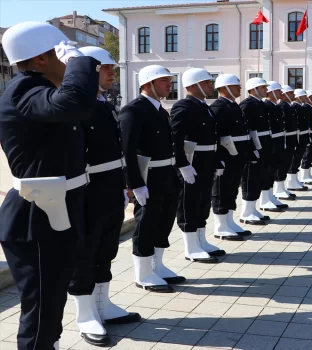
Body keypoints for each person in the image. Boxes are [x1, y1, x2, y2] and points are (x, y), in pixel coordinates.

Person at [0, 21, 98, 350]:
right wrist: (80, 64)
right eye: (65, 56)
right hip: (36, 218)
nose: (71, 63)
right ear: (43, 59)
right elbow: (75, 103)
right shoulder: (24, 89)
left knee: (51, 302)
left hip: (52, 211)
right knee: (42, 307)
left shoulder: (38, 89)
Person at [65, 46, 140, 346]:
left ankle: (103, 305)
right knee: (84, 253)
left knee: (106, 249)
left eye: (112, 67)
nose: (112, 72)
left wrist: (124, 185)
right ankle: (85, 314)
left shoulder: (104, 104)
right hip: (86, 192)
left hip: (109, 189)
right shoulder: (77, 108)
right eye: (105, 67)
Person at [120, 65, 185, 293]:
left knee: (164, 221)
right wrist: (134, 183)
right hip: (148, 178)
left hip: (166, 175)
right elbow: (127, 151)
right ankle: (143, 272)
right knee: (146, 223)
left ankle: (158, 265)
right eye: (165, 80)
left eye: (170, 80)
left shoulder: (161, 111)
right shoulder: (133, 110)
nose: (170, 84)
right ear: (149, 83)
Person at [170, 68, 225, 262]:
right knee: (189, 203)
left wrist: (217, 160)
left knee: (203, 202)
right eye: (207, 82)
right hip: (193, 162)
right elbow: (175, 138)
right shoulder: (183, 106)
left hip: (206, 161)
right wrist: (182, 164)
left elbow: (213, 137)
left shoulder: (205, 106)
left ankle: (201, 241)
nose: (211, 86)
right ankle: (190, 246)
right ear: (194, 85)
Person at [210, 74, 254, 240]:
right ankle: (220, 226)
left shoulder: (233, 106)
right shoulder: (218, 107)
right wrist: (218, 157)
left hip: (237, 155)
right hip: (226, 156)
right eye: (236, 86)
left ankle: (229, 221)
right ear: (225, 88)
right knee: (221, 189)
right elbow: (216, 136)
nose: (239, 89)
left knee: (232, 189)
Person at [238, 77, 272, 225]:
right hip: (254, 147)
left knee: (259, 178)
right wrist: (252, 149)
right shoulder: (247, 105)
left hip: (263, 145)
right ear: (254, 89)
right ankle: (246, 212)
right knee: (250, 179)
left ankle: (252, 208)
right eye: (263, 87)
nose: (266, 90)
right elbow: (246, 129)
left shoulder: (260, 104)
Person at [258, 81, 289, 211]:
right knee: (268, 171)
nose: (281, 93)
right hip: (270, 143)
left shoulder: (274, 106)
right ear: (271, 92)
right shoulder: (266, 105)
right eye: (278, 91)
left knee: (272, 171)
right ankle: (265, 199)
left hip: (277, 142)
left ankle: (270, 196)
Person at [273, 85, 298, 200]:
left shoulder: (289, 106)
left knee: (287, 163)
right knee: (282, 165)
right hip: (285, 139)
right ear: (285, 95)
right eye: (291, 93)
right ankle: (278, 189)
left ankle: (282, 187)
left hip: (290, 138)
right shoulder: (282, 106)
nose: (293, 95)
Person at [286, 89, 311, 191]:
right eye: (304, 96)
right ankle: (291, 181)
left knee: (298, 159)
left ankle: (294, 179)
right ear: (298, 97)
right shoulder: (294, 107)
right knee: (295, 159)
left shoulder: (300, 107)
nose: (306, 98)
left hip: (302, 135)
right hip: (298, 136)